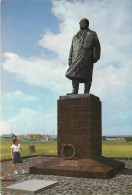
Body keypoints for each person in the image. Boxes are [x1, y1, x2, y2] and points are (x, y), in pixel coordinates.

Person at [66, 18, 101, 94]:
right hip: (76, 57)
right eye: (80, 22)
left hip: (87, 57)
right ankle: (75, 90)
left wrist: (95, 57)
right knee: (74, 73)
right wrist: (69, 58)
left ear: (87, 23)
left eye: (83, 22)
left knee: (87, 74)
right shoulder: (75, 37)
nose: (81, 24)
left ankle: (86, 91)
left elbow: (97, 46)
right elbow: (71, 48)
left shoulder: (92, 33)